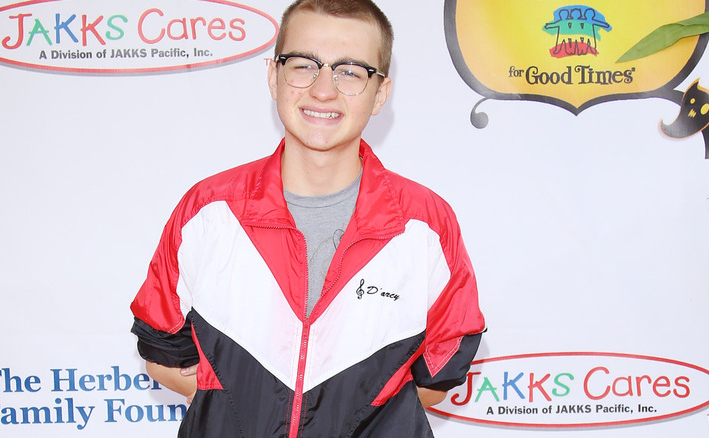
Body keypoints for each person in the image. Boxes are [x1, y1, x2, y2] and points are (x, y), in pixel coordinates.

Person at [130, 0, 486, 436]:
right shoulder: (208, 211)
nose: (323, 90)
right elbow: (164, 354)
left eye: (351, 71)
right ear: (273, 76)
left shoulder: (425, 225)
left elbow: (440, 373)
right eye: (303, 65)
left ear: (380, 94)